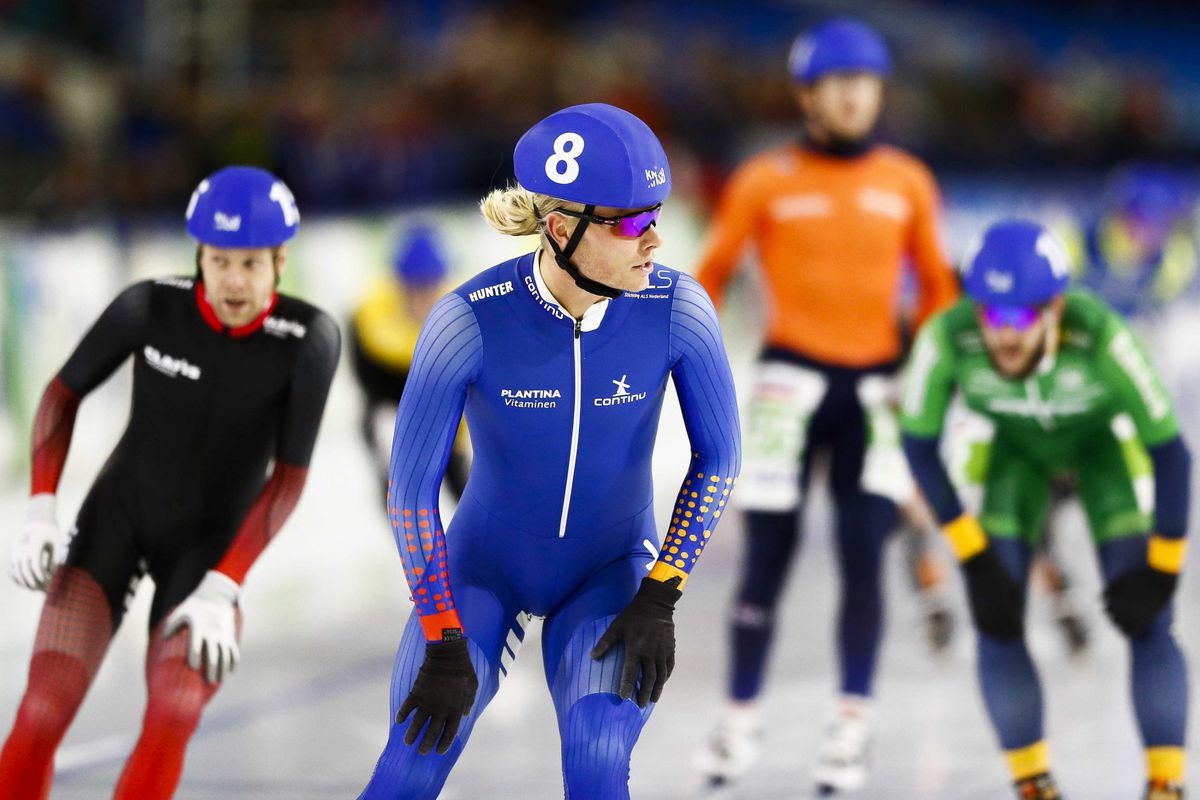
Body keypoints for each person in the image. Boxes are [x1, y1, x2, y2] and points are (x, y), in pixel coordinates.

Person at [356, 102, 741, 800]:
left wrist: (662, 591)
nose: (653, 239)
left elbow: (720, 458)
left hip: (610, 573)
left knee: (597, 768)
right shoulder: (465, 323)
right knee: (407, 770)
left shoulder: (680, 308)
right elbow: (410, 494)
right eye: (629, 223)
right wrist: (444, 636)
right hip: (481, 573)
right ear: (561, 229)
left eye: (655, 214)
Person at [0, 166, 340, 799]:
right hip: (118, 521)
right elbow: (59, 395)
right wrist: (42, 505)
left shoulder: (309, 341)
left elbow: (288, 480)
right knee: (44, 707)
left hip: (209, 553)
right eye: (218, 261)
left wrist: (226, 583)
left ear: (280, 261)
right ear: (198, 257)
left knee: (176, 710)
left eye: (249, 263)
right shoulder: (149, 305)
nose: (233, 280)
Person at [691, 17, 959, 793]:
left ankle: (851, 725)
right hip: (788, 382)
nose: (855, 98)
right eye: (840, 84)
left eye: (867, 84)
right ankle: (740, 719)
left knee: (862, 556)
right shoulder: (764, 178)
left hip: (876, 386)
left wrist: (930, 367)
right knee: (764, 562)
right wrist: (676, 354)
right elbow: (710, 275)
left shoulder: (907, 180)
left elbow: (939, 286)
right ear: (808, 94)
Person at [900, 219, 1190, 800]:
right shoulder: (948, 336)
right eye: (991, 315)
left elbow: (1171, 451)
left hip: (1101, 447)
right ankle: (1033, 785)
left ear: (1056, 308)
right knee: (996, 617)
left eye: (1021, 317)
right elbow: (918, 445)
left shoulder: (1100, 333)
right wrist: (970, 554)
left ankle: (1166, 784)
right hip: (1015, 456)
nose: (1003, 335)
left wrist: (1164, 566)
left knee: (1150, 619)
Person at [350, 224, 469, 504]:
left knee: (458, 467)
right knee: (388, 442)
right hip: (389, 385)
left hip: (441, 386)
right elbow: (367, 382)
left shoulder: (462, 311)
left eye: (430, 287)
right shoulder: (370, 315)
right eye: (414, 288)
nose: (422, 298)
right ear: (398, 284)